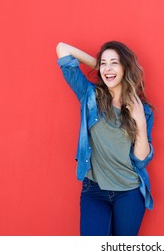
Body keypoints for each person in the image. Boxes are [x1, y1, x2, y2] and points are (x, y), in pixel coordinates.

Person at [56, 41, 154, 236]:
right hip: (94, 190)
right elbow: (62, 49)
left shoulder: (143, 111)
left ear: (126, 67)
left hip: (129, 192)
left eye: (114, 63)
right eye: (103, 63)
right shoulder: (90, 96)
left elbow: (141, 160)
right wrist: (105, 71)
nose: (108, 67)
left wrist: (140, 124)